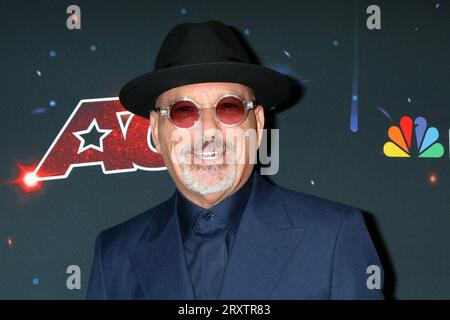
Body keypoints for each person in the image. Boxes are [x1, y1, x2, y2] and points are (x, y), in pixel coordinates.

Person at [87, 20, 384, 299]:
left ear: (256, 121)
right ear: (156, 128)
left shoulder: (333, 237)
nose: (209, 131)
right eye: (184, 111)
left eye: (229, 108)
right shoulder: (113, 255)